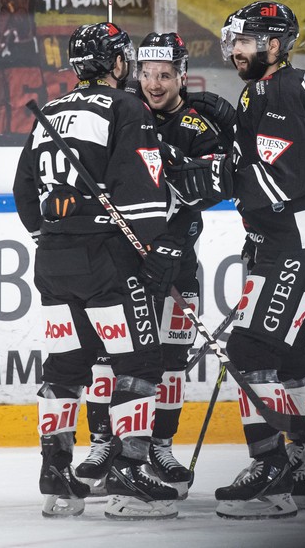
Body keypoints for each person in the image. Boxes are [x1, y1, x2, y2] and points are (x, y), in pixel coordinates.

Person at [12, 21, 196, 520]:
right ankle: (131, 475)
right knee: (136, 363)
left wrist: (52, 235)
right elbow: (141, 184)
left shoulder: (50, 110)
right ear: (118, 65)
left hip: (52, 261)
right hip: (108, 261)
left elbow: (25, 192)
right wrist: (153, 250)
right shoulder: (125, 106)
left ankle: (58, 476)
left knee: (66, 367)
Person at [203, 0, 305, 519]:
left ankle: (272, 471)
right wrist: (237, 140)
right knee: (298, 352)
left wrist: (217, 176)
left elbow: (279, 183)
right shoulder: (296, 84)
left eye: (244, 42)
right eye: (233, 41)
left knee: (250, 349)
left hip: (298, 239)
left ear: (273, 45)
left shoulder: (273, 90)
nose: (235, 51)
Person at [73, 31, 229, 499]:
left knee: (171, 362)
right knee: (109, 358)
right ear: (134, 72)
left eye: (165, 74)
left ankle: (160, 445)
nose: (154, 83)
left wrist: (180, 166)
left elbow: (216, 187)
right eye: (146, 73)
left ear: (183, 75)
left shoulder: (197, 126)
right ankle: (104, 444)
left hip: (176, 263)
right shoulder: (121, 113)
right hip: (123, 264)